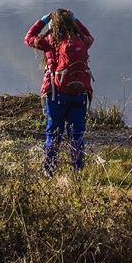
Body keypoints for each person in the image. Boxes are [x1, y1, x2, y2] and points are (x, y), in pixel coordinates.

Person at [24, 9, 94, 176]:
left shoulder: (49, 40)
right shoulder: (82, 41)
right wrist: (76, 19)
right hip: (79, 93)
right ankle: (78, 171)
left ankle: (49, 170)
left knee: (54, 133)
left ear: (53, 25)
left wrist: (42, 20)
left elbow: (28, 38)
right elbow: (90, 36)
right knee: (77, 134)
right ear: (72, 24)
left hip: (56, 94)